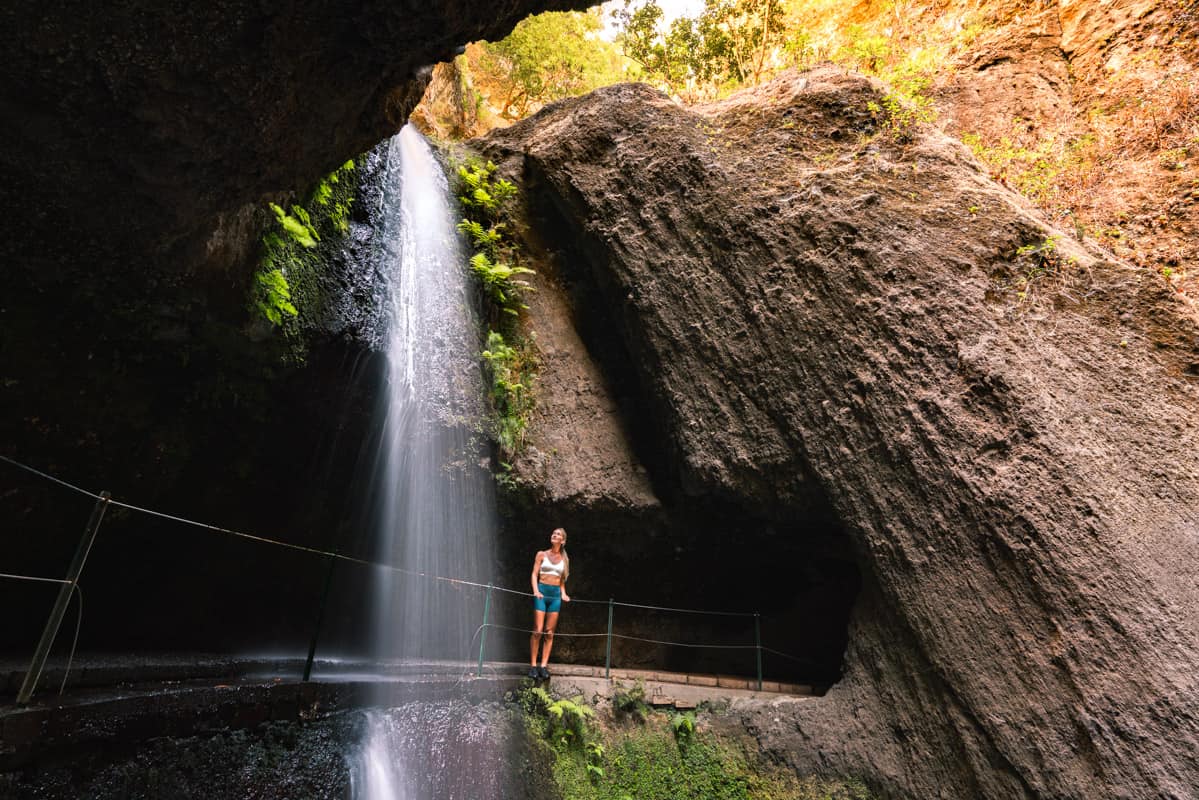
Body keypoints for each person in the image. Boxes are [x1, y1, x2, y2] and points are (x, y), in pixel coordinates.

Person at [529, 527, 570, 679]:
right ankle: (533, 666)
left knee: (549, 632)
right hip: (541, 593)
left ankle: (543, 666)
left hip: (555, 596)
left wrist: (564, 593)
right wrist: (536, 590)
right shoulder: (541, 554)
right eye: (553, 533)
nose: (554, 535)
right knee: (538, 630)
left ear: (562, 541)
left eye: (558, 534)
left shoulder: (564, 559)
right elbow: (534, 574)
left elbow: (561, 580)